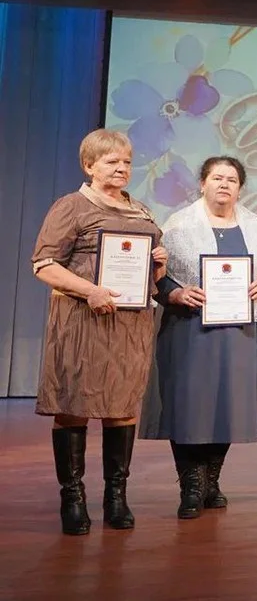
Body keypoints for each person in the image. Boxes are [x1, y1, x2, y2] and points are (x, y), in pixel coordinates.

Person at [31, 128, 167, 535]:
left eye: (127, 161)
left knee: (122, 408)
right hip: (82, 322)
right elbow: (44, 265)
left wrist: (158, 264)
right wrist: (90, 291)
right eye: (112, 161)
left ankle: (116, 497)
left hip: (130, 325)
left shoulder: (142, 212)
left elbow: (151, 280)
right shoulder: (71, 206)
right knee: (73, 406)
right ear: (89, 165)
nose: (122, 168)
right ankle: (72, 498)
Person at [140, 156, 257, 519]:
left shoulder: (255, 225)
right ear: (202, 183)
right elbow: (159, 276)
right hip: (190, 329)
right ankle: (191, 486)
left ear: (240, 188)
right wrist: (175, 293)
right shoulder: (179, 225)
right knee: (189, 408)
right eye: (217, 178)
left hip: (239, 331)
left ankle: (211, 481)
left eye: (232, 179)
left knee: (227, 407)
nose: (224, 184)